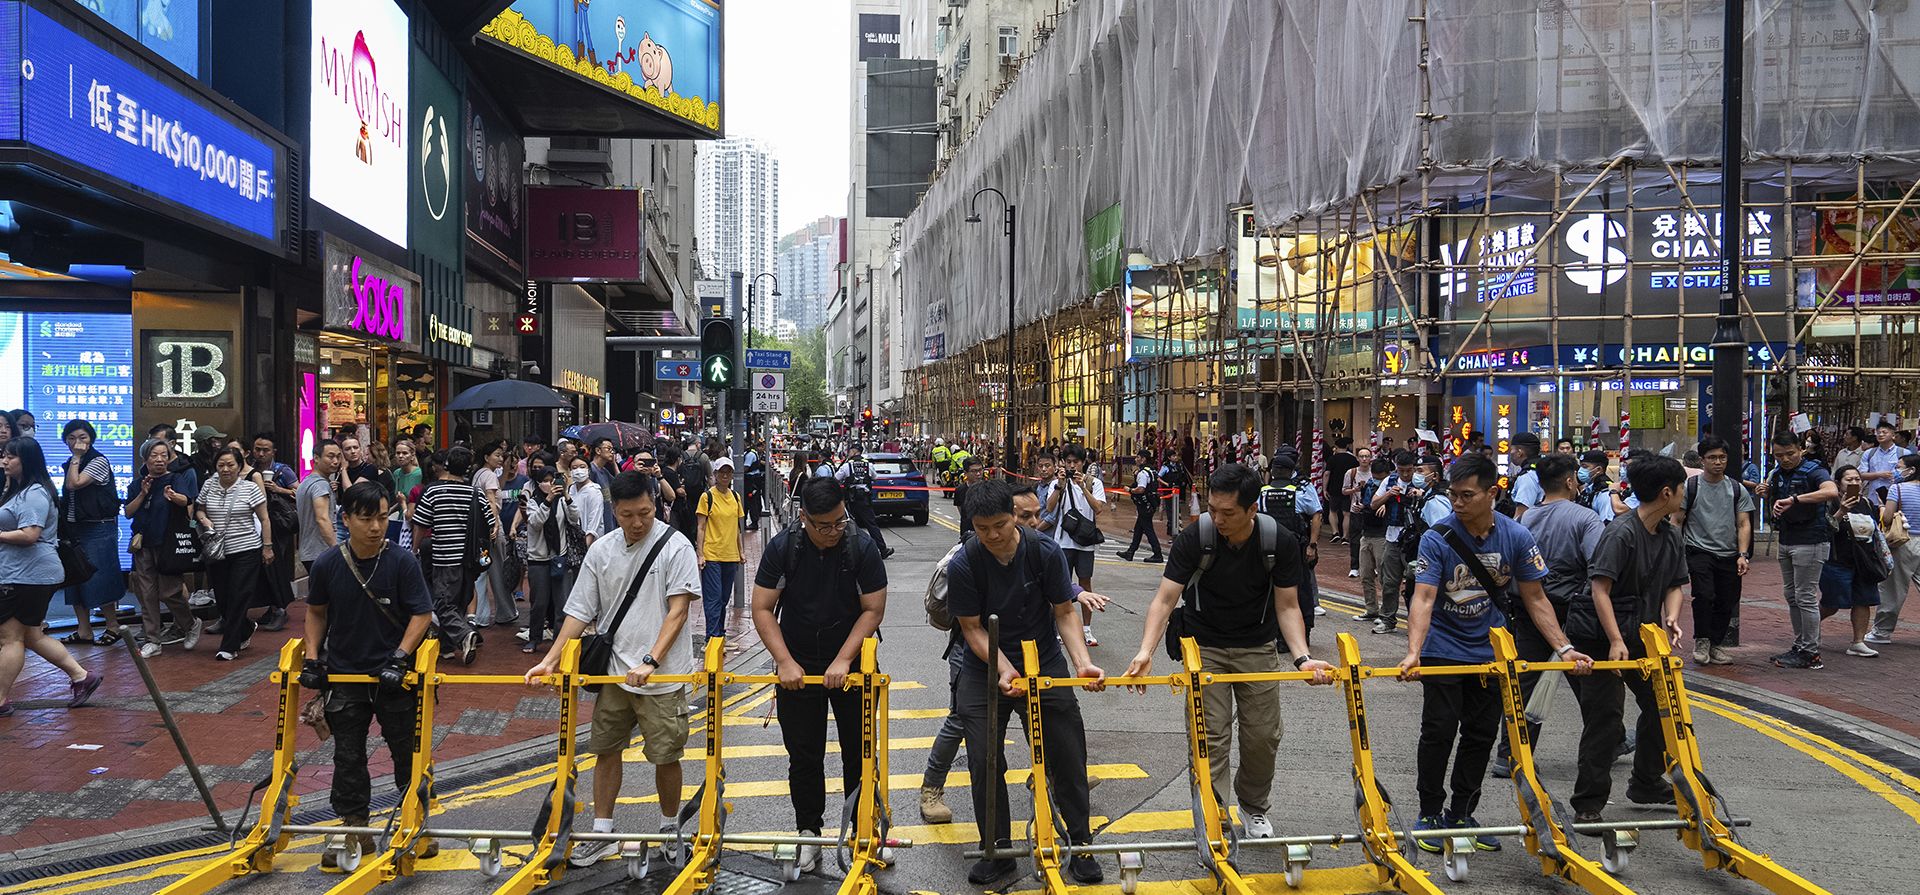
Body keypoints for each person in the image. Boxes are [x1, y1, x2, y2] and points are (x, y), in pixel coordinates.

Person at [1125, 463, 1335, 840]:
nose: (1217, 518)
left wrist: (1302, 656)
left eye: (1228, 513)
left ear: (1253, 509)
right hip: (1204, 646)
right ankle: (1214, 810)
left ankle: (1254, 808)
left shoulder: (1279, 541)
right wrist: (1145, 652)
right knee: (1210, 734)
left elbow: (1288, 606)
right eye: (1212, 509)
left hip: (1257, 646)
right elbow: (1165, 598)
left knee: (1264, 736)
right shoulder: (1197, 537)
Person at [1398, 453, 1592, 853]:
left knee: (1481, 735)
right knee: (1438, 731)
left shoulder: (1516, 535)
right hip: (1442, 649)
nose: (1457, 502)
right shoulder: (1438, 536)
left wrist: (1565, 648)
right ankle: (1430, 812)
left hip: (1490, 651)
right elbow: (1424, 597)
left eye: (1467, 495)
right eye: (1453, 494)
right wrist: (1414, 651)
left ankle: (1462, 813)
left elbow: (1536, 598)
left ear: (1492, 492)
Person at [525, 471, 697, 871]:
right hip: (613, 674)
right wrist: (550, 659)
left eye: (645, 512)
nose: (637, 522)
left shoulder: (676, 546)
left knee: (665, 755)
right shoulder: (602, 551)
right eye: (626, 515)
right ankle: (602, 833)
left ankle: (670, 830)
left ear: (655, 504)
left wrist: (651, 661)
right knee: (605, 750)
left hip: (663, 675)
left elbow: (679, 610)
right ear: (613, 511)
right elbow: (579, 612)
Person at [920, 484, 1111, 824]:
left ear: (1011, 517)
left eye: (1001, 525)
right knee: (983, 756)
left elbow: (1064, 612)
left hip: (1042, 658)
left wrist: (1083, 663)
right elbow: (972, 628)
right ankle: (994, 847)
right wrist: (1004, 670)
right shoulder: (965, 562)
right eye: (982, 528)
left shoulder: (1045, 551)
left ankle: (1079, 841)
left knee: (1066, 748)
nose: (992, 535)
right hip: (984, 664)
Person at [750, 477, 887, 873]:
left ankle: (864, 832)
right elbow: (762, 608)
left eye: (839, 522)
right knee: (804, 755)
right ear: (803, 518)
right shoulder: (784, 548)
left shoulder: (860, 545)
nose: (832, 532)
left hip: (854, 664)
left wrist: (845, 659)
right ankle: (808, 834)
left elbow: (872, 611)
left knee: (859, 755)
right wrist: (785, 661)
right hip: (799, 664)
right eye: (823, 525)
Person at [299, 482, 435, 857]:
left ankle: (417, 827)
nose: (376, 526)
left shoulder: (402, 561)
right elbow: (316, 613)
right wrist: (312, 658)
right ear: (346, 519)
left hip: (396, 677)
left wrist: (400, 657)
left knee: (408, 753)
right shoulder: (328, 564)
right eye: (366, 518)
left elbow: (422, 614)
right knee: (348, 756)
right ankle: (355, 828)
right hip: (345, 675)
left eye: (382, 517)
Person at [1567, 455, 1690, 828]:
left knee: (1661, 705)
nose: (1684, 494)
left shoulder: (1670, 535)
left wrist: (1671, 615)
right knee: (1606, 716)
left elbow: (1674, 584)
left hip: (1642, 635)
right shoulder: (1621, 533)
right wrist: (1615, 641)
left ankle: (1646, 782)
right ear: (1667, 492)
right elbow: (1600, 589)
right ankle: (1588, 803)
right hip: (1599, 637)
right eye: (1682, 488)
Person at [1492, 452, 1605, 778]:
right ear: (1571, 481)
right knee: (1591, 686)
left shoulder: (1524, 520)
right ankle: (1605, 744)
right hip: (1571, 613)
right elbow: (1598, 564)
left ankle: (1510, 754)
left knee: (1524, 680)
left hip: (1526, 610)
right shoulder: (1585, 519)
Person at [0, 437, 102, 715]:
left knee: (9, 637)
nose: (4, 461)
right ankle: (82, 676)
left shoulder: (34, 493)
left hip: (28, 576)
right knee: (31, 635)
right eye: (4, 456)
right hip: (24, 574)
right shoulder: (20, 490)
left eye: (10, 457)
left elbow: (30, 535)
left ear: (27, 461)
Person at [1758, 431, 1839, 669]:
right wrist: (1766, 493)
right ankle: (1801, 644)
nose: (1784, 459)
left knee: (1805, 596)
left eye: (1790, 454)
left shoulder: (1815, 470)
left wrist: (1796, 499)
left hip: (1811, 540)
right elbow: (1777, 498)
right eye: (1778, 455)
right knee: (1792, 595)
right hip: (1786, 539)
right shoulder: (1777, 473)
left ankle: (1811, 652)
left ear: (1801, 449)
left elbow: (1831, 491)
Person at [1675, 436, 1755, 666]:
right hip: (1698, 550)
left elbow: (1743, 524)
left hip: (1729, 554)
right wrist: (1675, 553)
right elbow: (1677, 520)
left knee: (1727, 600)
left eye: (1722, 457)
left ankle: (1716, 644)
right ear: (1702, 461)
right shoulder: (1691, 487)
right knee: (1704, 595)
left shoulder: (1736, 489)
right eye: (1712, 458)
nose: (1718, 462)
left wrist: (1742, 554)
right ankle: (1702, 641)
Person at [410, 446, 494, 665]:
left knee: (443, 603)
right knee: (457, 602)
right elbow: (491, 524)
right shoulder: (475, 492)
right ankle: (447, 648)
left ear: (445, 464)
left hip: (444, 556)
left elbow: (420, 524)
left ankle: (465, 634)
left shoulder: (433, 491)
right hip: (470, 561)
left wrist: (415, 549)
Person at [193, 448, 272, 661]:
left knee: (239, 596)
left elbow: (264, 519)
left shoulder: (250, 488)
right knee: (223, 599)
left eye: (230, 465)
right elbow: (198, 509)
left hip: (246, 550)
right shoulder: (209, 485)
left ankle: (229, 646)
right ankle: (245, 627)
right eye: (221, 465)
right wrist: (204, 520)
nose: (226, 469)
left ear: (239, 466)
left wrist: (267, 546)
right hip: (217, 551)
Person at [125, 439, 201, 657]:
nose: (159, 459)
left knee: (170, 592)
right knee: (147, 593)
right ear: (146, 458)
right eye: (154, 455)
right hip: (143, 544)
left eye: (164, 455)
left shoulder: (175, 478)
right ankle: (153, 640)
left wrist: (173, 496)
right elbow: (128, 512)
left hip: (168, 543)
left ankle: (191, 623)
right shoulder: (137, 483)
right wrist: (142, 493)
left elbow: (187, 501)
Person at [57, 421, 126, 646]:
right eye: (71, 438)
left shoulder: (98, 461)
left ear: (91, 439)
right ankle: (84, 629)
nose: (77, 442)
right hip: (75, 527)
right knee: (75, 576)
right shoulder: (71, 462)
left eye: (83, 437)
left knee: (101, 576)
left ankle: (113, 626)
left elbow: (74, 484)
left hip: (98, 527)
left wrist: (76, 458)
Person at [1818, 465, 1887, 658]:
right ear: (1838, 483)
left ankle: (1858, 642)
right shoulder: (1830, 501)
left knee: (1863, 600)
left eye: (1857, 479)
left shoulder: (1866, 502)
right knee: (1832, 603)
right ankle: (1809, 628)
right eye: (1849, 480)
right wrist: (1841, 511)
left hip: (1865, 560)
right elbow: (1825, 529)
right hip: (1838, 559)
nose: (1854, 483)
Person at [1042, 445, 1107, 646]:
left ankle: (1086, 629)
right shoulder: (1057, 483)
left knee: (1085, 584)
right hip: (1063, 541)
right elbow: (1049, 507)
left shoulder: (1094, 482)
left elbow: (1098, 508)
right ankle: (1062, 628)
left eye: (1076, 462)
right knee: (1062, 585)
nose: (1072, 466)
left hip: (1085, 543)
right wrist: (1061, 485)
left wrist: (1082, 487)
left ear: (1083, 462)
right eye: (1068, 462)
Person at [520, 466, 582, 654]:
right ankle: (534, 638)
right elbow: (536, 522)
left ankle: (559, 640)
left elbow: (574, 518)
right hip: (538, 559)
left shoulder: (563, 501)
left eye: (552, 480)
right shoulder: (533, 502)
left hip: (560, 556)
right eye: (545, 481)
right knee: (539, 602)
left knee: (561, 602)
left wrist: (567, 496)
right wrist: (547, 501)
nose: (549, 484)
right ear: (538, 483)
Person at [1260, 449, 1325, 627]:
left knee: (1270, 588)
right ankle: (1303, 629)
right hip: (1296, 546)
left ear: (1273, 471)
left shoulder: (1262, 492)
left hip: (1269, 547)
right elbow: (1316, 516)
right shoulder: (1301, 489)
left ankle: (1275, 631)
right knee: (1300, 588)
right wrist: (1312, 545)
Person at [1872, 454, 1920, 645]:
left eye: (1899, 467)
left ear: (1911, 470)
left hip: (1903, 542)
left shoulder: (1897, 489)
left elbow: (1889, 518)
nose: (1895, 471)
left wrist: (1883, 506)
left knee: (1893, 589)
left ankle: (1881, 632)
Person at [695, 457, 745, 640]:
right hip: (712, 555)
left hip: (730, 555)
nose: (725, 475)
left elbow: (738, 528)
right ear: (715, 474)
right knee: (713, 599)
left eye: (728, 472)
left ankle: (720, 636)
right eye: (721, 472)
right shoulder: (707, 497)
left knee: (723, 599)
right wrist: (700, 554)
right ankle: (712, 638)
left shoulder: (735, 497)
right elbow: (701, 527)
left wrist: (741, 552)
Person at [471, 442, 515, 629]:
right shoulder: (488, 475)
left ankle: (479, 615)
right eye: (497, 455)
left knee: (480, 571)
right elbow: (491, 500)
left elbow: (496, 490)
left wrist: (504, 470)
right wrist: (495, 524)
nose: (500, 458)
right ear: (486, 457)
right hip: (491, 528)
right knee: (498, 570)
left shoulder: (479, 474)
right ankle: (505, 612)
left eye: (501, 455)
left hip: (478, 528)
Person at [835, 444, 895, 558]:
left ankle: (849, 550)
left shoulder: (848, 465)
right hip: (864, 499)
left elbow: (836, 478)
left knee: (849, 524)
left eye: (850, 450)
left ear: (854, 451)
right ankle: (882, 549)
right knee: (871, 524)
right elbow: (875, 477)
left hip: (852, 500)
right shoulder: (868, 464)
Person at [298, 440, 345, 576]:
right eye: (330, 456)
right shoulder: (321, 485)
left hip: (309, 551)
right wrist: (336, 549)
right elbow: (322, 519)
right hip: (320, 551)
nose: (335, 461)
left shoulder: (305, 482)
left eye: (338, 456)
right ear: (316, 458)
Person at [1118, 449, 1165, 563]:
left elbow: (1141, 489)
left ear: (1143, 459)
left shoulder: (1143, 473)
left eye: (1138, 457)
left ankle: (1158, 553)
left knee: (1148, 529)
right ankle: (1130, 552)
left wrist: (1130, 490)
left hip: (1145, 504)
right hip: (1150, 504)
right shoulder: (1152, 471)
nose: (1136, 459)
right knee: (1138, 529)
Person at [1324, 438, 1360, 546]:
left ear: (1336, 446)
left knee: (1333, 511)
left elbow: (1327, 474)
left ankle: (1335, 532)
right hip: (1348, 489)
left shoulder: (1332, 459)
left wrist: (1324, 488)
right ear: (1347, 446)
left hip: (1334, 488)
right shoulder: (1353, 459)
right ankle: (1345, 536)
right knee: (1347, 513)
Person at [568, 455, 609, 543]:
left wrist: (587, 543)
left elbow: (594, 519)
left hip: (590, 542)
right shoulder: (571, 489)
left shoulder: (594, 491)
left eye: (582, 467)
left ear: (588, 470)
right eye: (574, 468)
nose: (578, 470)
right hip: (573, 541)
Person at [1506, 433, 1544, 518]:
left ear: (1519, 452)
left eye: (1512, 449)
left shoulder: (1527, 477)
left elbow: (1521, 516)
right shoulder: (1541, 468)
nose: (1511, 453)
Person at [952, 457, 985, 536]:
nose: (978, 474)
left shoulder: (989, 489)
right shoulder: (960, 490)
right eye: (973, 471)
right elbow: (961, 511)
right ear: (965, 473)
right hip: (967, 533)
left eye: (980, 470)